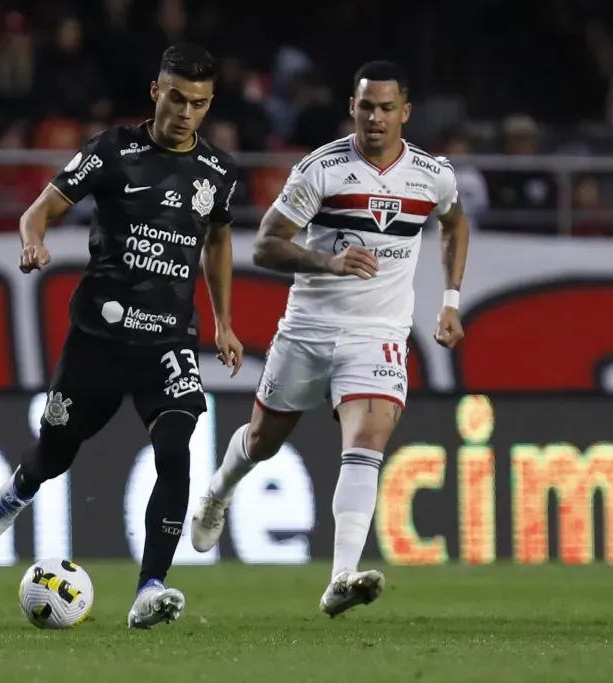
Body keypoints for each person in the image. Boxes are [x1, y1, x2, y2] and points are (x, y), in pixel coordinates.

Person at [189, 61, 470, 616]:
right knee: (263, 442)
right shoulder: (322, 169)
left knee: (367, 440)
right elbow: (265, 246)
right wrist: (328, 262)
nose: (375, 117)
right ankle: (218, 490)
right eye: (366, 106)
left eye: (387, 108)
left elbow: (455, 223)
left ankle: (342, 576)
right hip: (309, 329)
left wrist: (451, 301)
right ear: (352, 108)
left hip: (379, 333)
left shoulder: (432, 176)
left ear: (405, 114)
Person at [0, 44, 243, 629]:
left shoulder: (219, 173)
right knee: (56, 453)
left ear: (209, 105)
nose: (184, 112)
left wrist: (223, 322)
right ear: (156, 91)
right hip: (98, 337)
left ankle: (151, 588)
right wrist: (33, 241)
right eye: (176, 97)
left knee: (176, 454)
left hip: (168, 341)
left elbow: (218, 242)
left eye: (197, 103)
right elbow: (39, 209)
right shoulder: (112, 151)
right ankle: (22, 486)